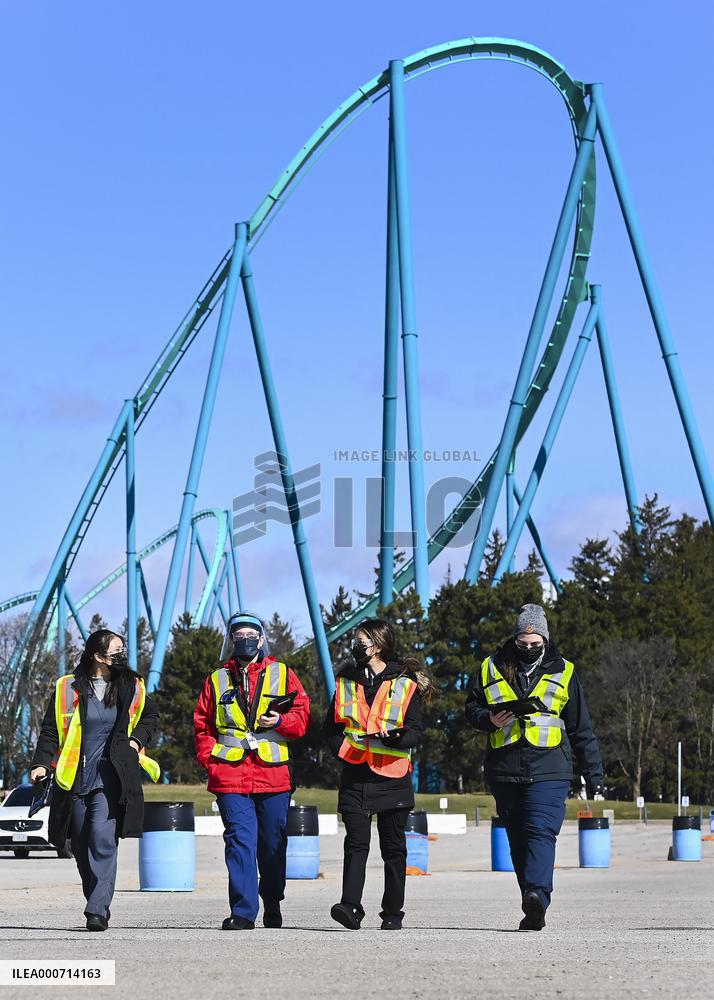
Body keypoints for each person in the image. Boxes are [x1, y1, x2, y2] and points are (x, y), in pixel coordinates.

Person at [465, 603, 604, 931]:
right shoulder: (491, 667)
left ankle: (538, 895)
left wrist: (594, 773)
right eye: (523, 644)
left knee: (540, 830)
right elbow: (471, 707)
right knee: (517, 839)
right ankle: (532, 901)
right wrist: (488, 719)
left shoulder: (564, 670)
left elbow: (580, 727)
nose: (528, 649)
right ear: (515, 639)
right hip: (505, 767)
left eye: (535, 644)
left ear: (544, 640)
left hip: (550, 767)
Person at [29, 629, 160, 931]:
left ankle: (97, 910)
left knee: (102, 839)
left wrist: (135, 741)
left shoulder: (132, 685)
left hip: (111, 776)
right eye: (116, 650)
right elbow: (50, 730)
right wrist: (40, 764)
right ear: (98, 656)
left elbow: (150, 718)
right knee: (79, 842)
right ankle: (96, 898)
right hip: (74, 776)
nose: (121, 654)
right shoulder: (67, 687)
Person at [194, 610, 311, 930]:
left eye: (251, 635)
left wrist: (281, 722)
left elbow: (302, 720)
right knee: (238, 840)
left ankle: (272, 900)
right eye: (238, 635)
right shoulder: (216, 679)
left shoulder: (284, 673)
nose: (245, 640)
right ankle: (244, 911)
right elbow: (202, 725)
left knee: (273, 842)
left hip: (273, 773)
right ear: (230, 640)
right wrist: (211, 760)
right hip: (230, 774)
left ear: (262, 639)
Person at [324, 617, 435, 931]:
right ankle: (349, 906)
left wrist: (396, 738)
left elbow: (416, 732)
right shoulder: (345, 681)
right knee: (355, 844)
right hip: (355, 776)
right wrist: (342, 750)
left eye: (365, 641)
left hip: (392, 776)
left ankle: (392, 913)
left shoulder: (403, 683)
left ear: (380, 644)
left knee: (393, 849)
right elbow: (330, 730)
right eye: (357, 641)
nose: (359, 647)